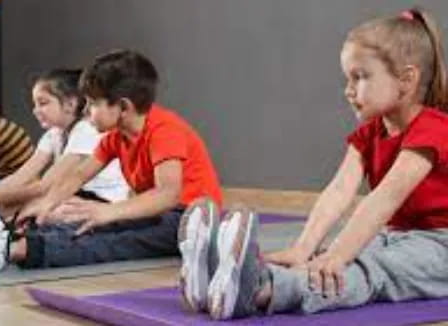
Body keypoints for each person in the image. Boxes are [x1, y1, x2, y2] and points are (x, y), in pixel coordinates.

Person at [179, 7, 448, 320]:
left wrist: (339, 256)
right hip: (395, 236)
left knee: (362, 269)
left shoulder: (435, 129)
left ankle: (258, 290)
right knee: (327, 258)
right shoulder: (367, 135)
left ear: (407, 79)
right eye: (347, 78)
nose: (348, 90)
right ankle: (214, 279)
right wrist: (303, 248)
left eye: (359, 77)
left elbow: (384, 199)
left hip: (440, 246)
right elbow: (338, 192)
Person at [0, 50, 222, 274]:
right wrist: (44, 206)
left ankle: (10, 251)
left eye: (94, 104)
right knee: (85, 220)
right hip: (157, 213)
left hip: (189, 222)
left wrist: (109, 213)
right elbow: (76, 176)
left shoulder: (164, 130)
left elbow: (168, 195)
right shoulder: (115, 137)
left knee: (112, 239)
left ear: (123, 107)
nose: (87, 111)